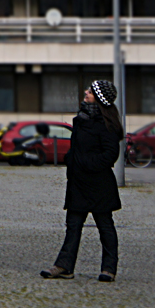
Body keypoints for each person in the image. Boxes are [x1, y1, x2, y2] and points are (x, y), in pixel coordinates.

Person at [40, 79, 123, 282]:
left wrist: (85, 163)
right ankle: (64, 266)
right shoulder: (81, 119)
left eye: (91, 91)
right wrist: (71, 160)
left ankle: (108, 269)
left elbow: (111, 154)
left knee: (105, 226)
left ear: (99, 98)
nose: (86, 92)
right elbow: (76, 148)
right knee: (73, 225)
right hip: (78, 182)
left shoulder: (107, 123)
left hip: (99, 183)